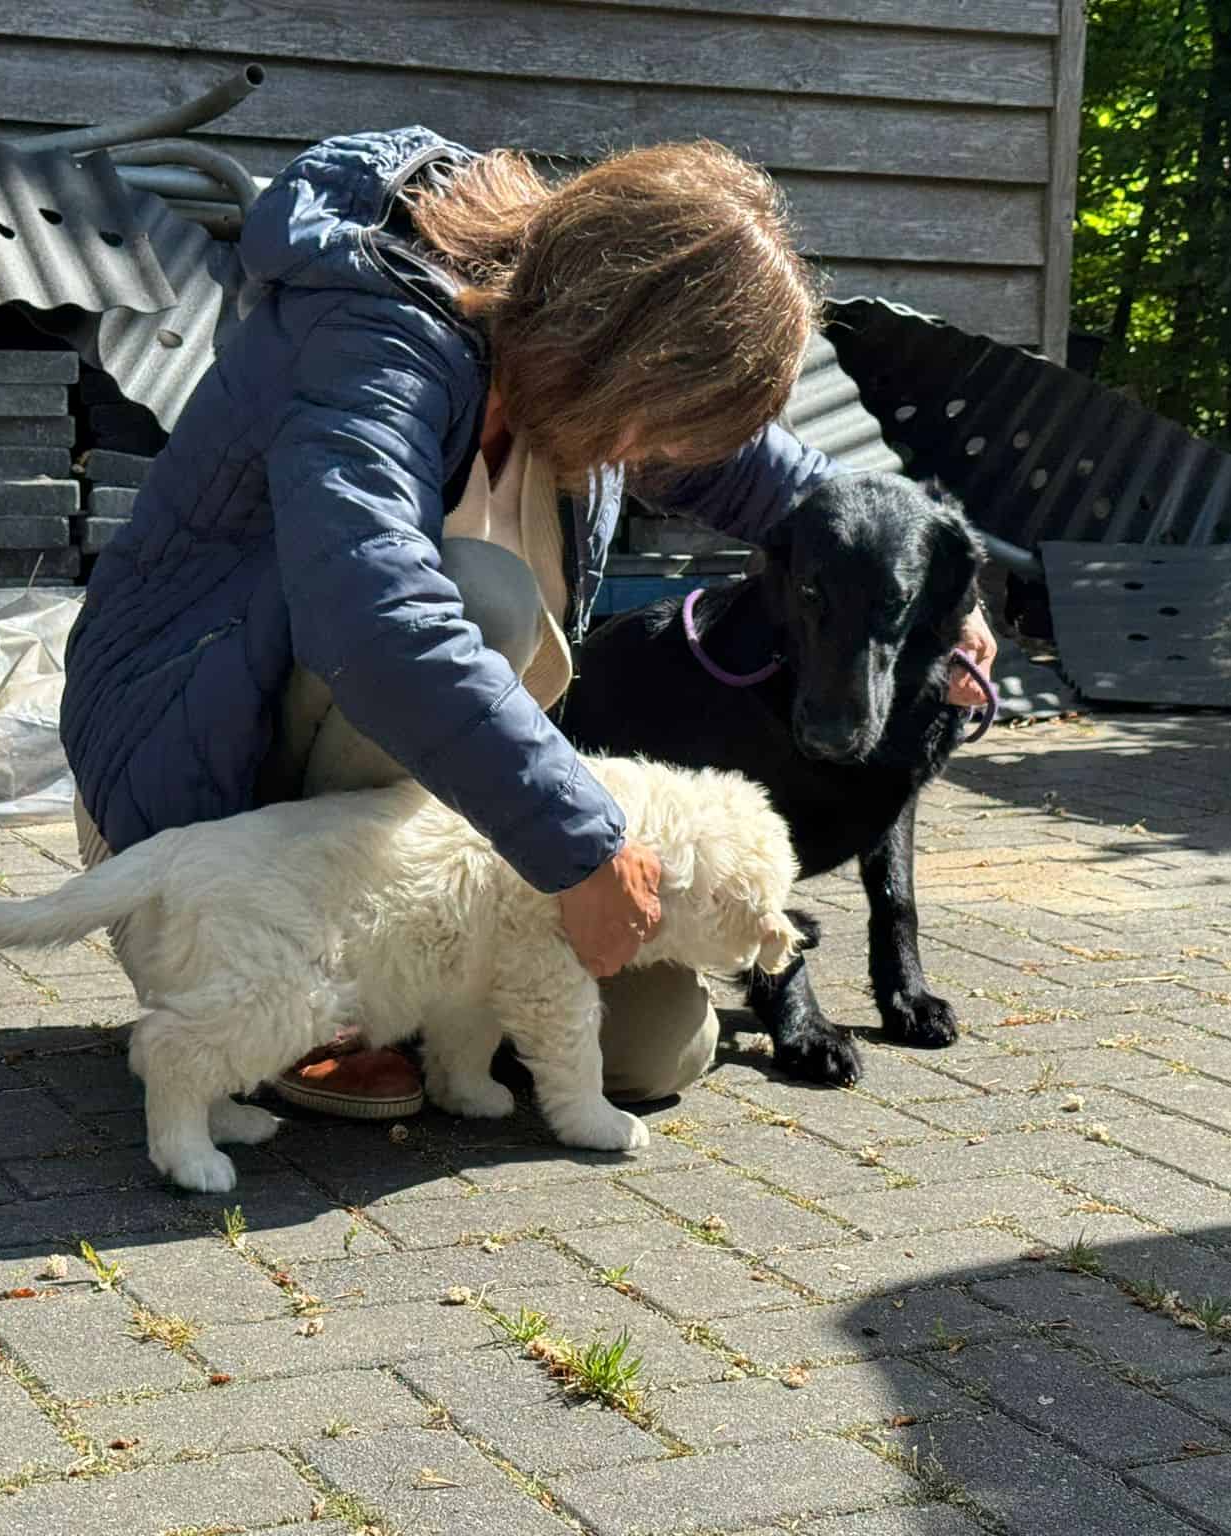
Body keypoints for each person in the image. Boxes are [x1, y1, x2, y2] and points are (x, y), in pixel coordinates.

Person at [60, 127, 998, 1119]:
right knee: (481, 601)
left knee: (655, 1050)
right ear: (623, 349)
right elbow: (377, 617)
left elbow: (789, 485)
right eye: (669, 422)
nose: (664, 457)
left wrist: (945, 587)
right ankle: (308, 983)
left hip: (424, 830)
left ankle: (416, 990)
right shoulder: (373, 335)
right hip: (201, 798)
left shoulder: (571, 365)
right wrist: (583, 849)